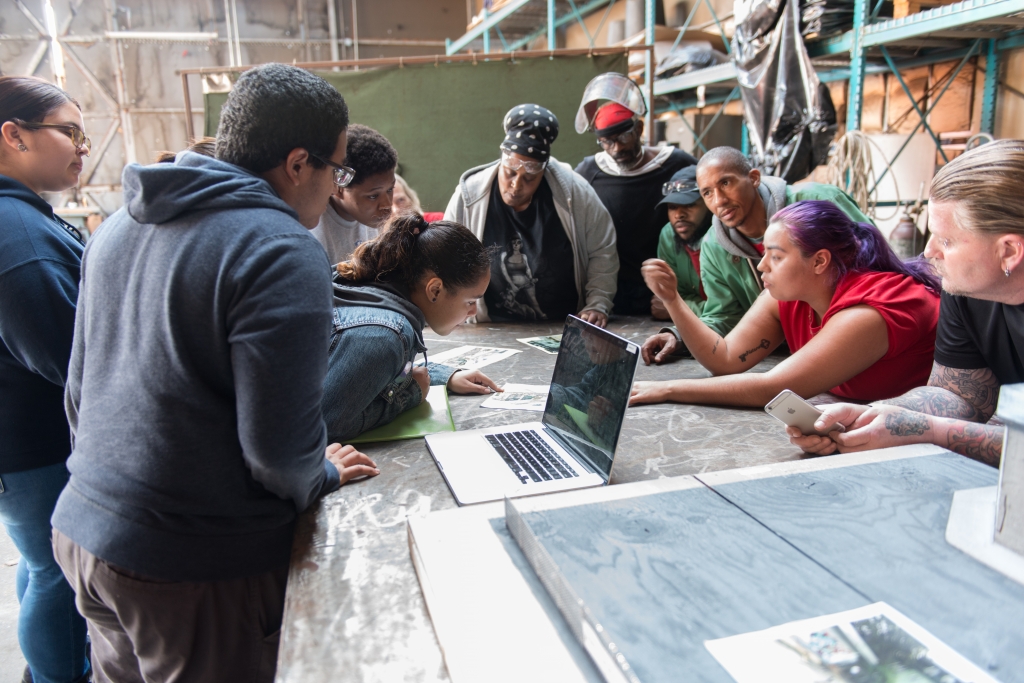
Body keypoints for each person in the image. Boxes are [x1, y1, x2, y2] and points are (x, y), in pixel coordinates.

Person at [50, 63, 378, 682]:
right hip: (191, 568)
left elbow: (78, 392)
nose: (339, 186)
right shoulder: (280, 249)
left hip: (86, 533)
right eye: (339, 169)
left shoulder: (120, 224)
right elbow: (277, 453)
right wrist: (321, 471)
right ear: (299, 163)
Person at [789, 140, 1024, 468]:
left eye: (946, 240)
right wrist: (875, 415)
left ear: (1009, 251)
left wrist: (927, 430)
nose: (928, 252)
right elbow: (959, 395)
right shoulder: (964, 289)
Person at [630, 200, 941, 409]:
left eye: (776, 257)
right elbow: (724, 358)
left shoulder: (868, 312)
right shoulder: (788, 295)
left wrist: (668, 389)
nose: (762, 265)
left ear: (820, 261)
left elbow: (775, 388)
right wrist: (672, 299)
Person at [0, 76, 91, 683]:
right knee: (58, 571)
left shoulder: (29, 217)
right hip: (38, 445)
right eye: (69, 132)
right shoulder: (19, 234)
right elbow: (67, 356)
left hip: (26, 443)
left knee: (40, 566)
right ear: (13, 135)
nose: (83, 148)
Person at [642, 146, 875, 361]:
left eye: (725, 183)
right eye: (707, 193)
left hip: (857, 342)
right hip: (789, 354)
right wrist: (679, 336)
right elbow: (724, 316)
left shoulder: (818, 202)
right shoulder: (713, 245)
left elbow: (876, 269)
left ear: (753, 178)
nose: (720, 201)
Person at [324, 214, 501, 441]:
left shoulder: (375, 298)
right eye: (470, 301)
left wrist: (443, 376)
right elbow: (327, 423)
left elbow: (366, 370)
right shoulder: (385, 335)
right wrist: (410, 394)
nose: (474, 312)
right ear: (435, 290)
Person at [445, 103, 618, 327]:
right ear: (501, 159)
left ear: (544, 170)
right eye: (509, 173)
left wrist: (597, 303)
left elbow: (602, 250)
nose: (516, 185)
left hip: (563, 323)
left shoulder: (575, 193)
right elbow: (446, 256)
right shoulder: (469, 196)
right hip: (491, 325)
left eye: (529, 178)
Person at [574, 73, 697, 315]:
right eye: (607, 142)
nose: (617, 149)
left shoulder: (676, 163)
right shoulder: (589, 172)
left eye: (623, 137)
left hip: (667, 289)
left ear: (639, 128)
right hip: (610, 294)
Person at [312, 123, 397, 265]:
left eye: (390, 190)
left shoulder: (375, 221)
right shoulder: (315, 230)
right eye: (373, 196)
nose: (387, 205)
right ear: (338, 187)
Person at [650, 165, 712, 321]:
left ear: (709, 203)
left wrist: (677, 307)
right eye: (672, 207)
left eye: (690, 205)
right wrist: (675, 303)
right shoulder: (668, 235)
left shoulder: (726, 236)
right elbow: (673, 294)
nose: (679, 215)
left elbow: (734, 309)